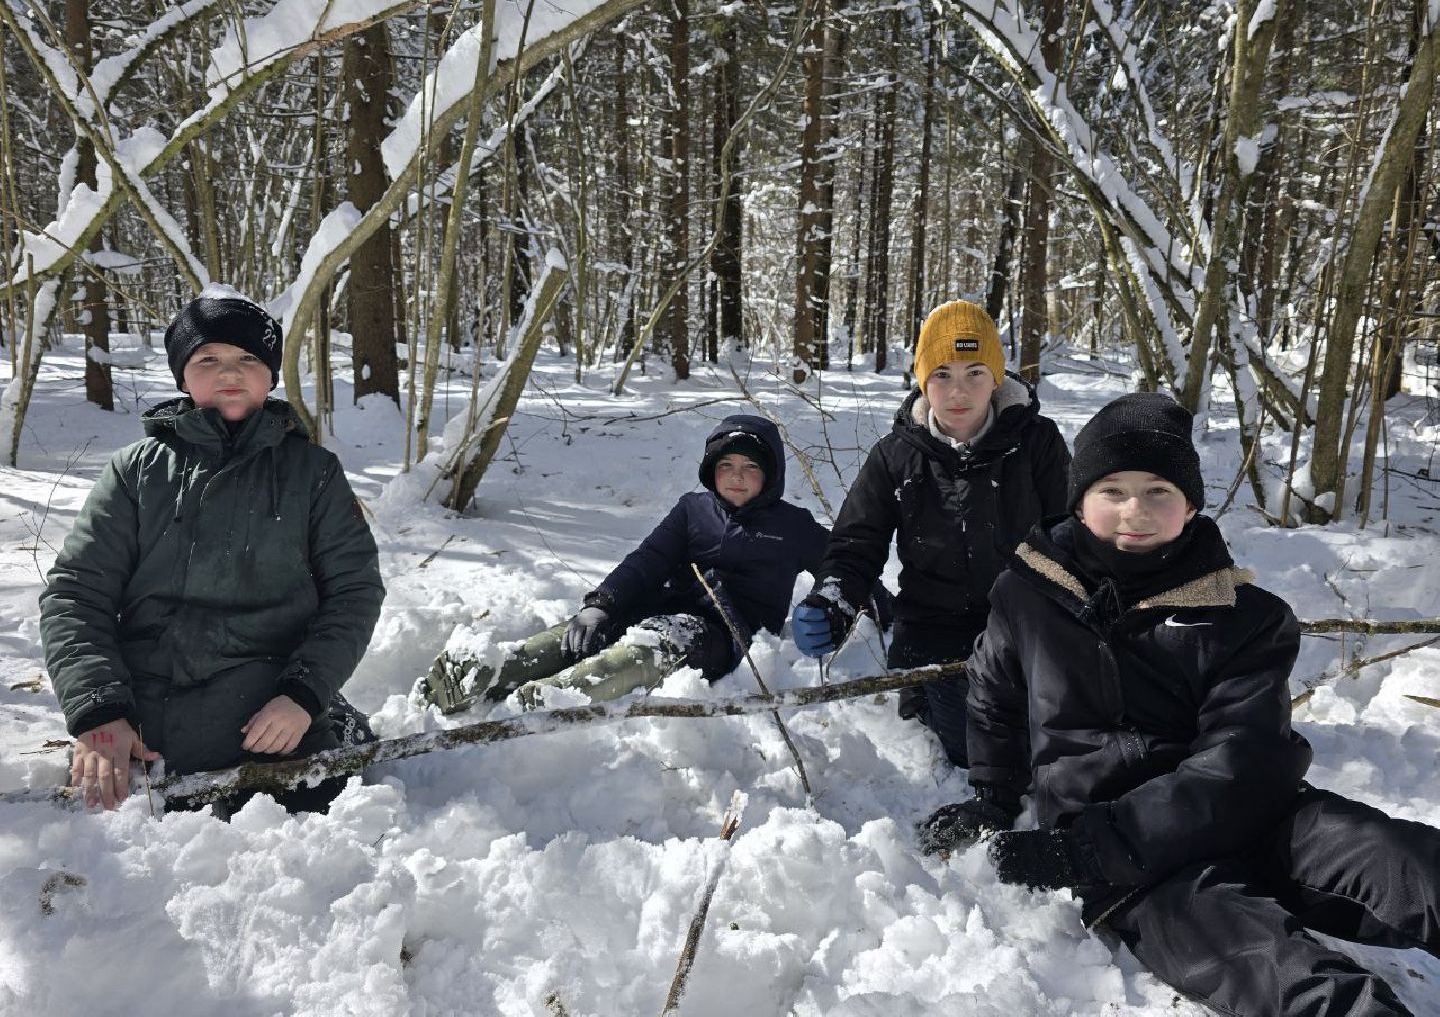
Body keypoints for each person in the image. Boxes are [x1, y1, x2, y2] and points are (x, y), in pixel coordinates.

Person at [919, 393, 1440, 1017]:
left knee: (1402, 861)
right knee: (1282, 973)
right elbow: (995, 700)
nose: (1133, 510)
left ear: (1190, 505)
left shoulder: (1247, 617)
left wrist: (1090, 848)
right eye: (1112, 489)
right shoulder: (1025, 595)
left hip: (1252, 820)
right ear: (1079, 500)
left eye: (1158, 491)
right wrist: (992, 797)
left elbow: (1244, 759)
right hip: (1136, 871)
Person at [40, 288, 385, 814]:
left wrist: (304, 697)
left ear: (271, 376)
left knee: (328, 802)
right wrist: (97, 711)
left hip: (271, 715)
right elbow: (75, 595)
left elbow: (353, 593)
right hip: (145, 719)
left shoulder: (313, 474)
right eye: (208, 359)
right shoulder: (135, 470)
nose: (231, 371)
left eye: (249, 358)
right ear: (182, 376)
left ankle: (334, 720)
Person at [422, 414, 881, 712]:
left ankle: (555, 698)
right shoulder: (692, 510)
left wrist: (870, 606)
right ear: (711, 471)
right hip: (656, 605)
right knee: (587, 633)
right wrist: (601, 604)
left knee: (647, 648)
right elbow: (647, 560)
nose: (736, 477)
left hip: (720, 631)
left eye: (750, 468)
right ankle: (490, 671)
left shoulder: (791, 525)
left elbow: (842, 568)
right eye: (727, 467)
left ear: (771, 474)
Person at [790, 300, 1069, 766]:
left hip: (1024, 625)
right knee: (974, 745)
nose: (958, 391)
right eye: (942, 374)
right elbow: (856, 544)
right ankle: (931, 704)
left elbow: (1070, 536)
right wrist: (832, 601)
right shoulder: (896, 456)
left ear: (997, 378)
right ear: (923, 380)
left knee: (1054, 732)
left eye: (974, 373)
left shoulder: (1037, 443)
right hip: (932, 631)